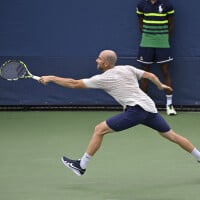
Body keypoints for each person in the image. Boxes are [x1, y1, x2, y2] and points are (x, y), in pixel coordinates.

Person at [39, 50, 200, 176]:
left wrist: (52, 78)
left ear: (107, 63)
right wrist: (160, 86)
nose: (97, 60)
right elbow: (150, 75)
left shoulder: (104, 78)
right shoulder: (127, 68)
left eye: (99, 59)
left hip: (137, 110)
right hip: (149, 108)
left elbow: (74, 84)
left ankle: (81, 166)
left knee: (99, 130)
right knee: (172, 136)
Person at [136, 0, 176, 115]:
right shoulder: (141, 5)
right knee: (144, 73)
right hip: (146, 42)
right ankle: (143, 105)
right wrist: (148, 36)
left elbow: (171, 24)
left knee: (165, 72)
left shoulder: (167, 5)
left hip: (162, 43)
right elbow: (140, 23)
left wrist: (163, 38)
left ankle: (169, 105)